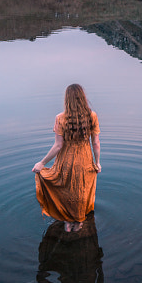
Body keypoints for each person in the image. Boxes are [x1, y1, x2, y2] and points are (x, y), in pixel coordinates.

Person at [32, 83, 101, 232]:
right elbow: (95, 143)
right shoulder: (92, 116)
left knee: (65, 189)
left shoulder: (60, 118)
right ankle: (78, 222)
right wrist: (97, 163)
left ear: (66, 99)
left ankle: (67, 222)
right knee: (80, 191)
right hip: (85, 161)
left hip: (66, 161)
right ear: (83, 98)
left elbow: (58, 146)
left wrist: (42, 163)